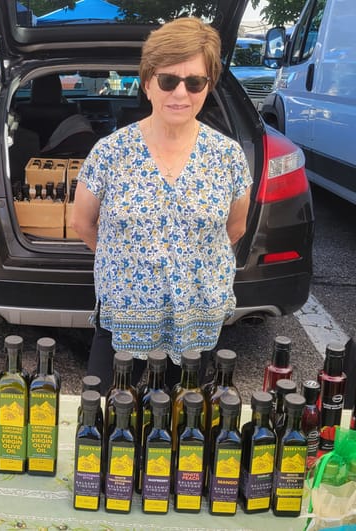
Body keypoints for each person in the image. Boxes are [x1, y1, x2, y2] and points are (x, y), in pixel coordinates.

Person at [71, 17, 252, 391]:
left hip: (195, 320)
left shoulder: (228, 156)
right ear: (148, 82)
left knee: (180, 432)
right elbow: (83, 223)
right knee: (105, 424)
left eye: (194, 81)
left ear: (208, 85)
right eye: (169, 80)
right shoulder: (110, 153)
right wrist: (131, 259)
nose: (180, 93)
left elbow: (235, 228)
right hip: (124, 316)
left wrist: (188, 261)